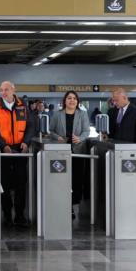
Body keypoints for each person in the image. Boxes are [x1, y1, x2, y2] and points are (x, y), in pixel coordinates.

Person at [0, 81, 35, 227]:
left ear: (13, 90)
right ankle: (7, 214)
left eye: (6, 89)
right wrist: (3, 145)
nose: (3, 92)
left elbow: (31, 127)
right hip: (4, 151)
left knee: (21, 183)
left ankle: (20, 215)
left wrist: (26, 142)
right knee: (4, 184)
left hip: (21, 150)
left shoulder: (23, 106)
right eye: (1, 90)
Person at [49, 91, 90, 219]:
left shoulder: (82, 114)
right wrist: (58, 138)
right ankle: (62, 204)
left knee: (76, 180)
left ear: (77, 101)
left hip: (78, 152)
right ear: (65, 101)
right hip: (61, 152)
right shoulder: (57, 114)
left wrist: (80, 138)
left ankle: (72, 205)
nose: (72, 100)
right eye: (69, 98)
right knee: (62, 179)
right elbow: (51, 130)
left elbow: (86, 131)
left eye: (74, 98)